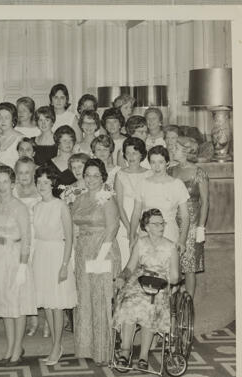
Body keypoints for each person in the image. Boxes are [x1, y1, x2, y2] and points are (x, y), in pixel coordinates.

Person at [113, 208, 179, 370]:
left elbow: (176, 276)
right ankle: (125, 352)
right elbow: (130, 267)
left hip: (160, 282)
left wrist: (172, 280)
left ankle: (143, 356)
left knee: (150, 306)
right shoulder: (140, 243)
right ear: (147, 227)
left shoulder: (171, 247)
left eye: (162, 223)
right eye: (156, 224)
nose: (161, 226)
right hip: (139, 279)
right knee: (129, 303)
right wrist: (122, 276)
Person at [70, 158, 121, 365]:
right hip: (83, 251)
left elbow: (113, 227)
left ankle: (103, 351)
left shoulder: (107, 197)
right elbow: (74, 226)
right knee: (84, 299)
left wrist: (101, 257)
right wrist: (74, 254)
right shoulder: (80, 198)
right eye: (87, 175)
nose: (90, 179)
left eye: (95, 175)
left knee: (101, 299)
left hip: (103, 250)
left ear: (103, 177)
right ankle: (86, 348)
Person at [0, 166, 36, 365]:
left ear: (13, 183)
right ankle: (9, 347)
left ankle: (17, 349)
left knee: (17, 303)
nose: (2, 185)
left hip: (15, 257)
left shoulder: (19, 207)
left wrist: (23, 265)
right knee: (4, 304)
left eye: (6, 181)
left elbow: (26, 238)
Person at [32, 166, 76, 364]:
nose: (42, 185)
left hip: (57, 254)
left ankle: (57, 346)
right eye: (39, 181)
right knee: (48, 305)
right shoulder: (37, 206)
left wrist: (65, 264)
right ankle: (54, 346)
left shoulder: (61, 206)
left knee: (57, 304)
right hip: (41, 255)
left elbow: (69, 237)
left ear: (53, 183)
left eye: (46, 182)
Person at [129, 145, 190, 254]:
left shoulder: (177, 184)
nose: (157, 167)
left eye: (160, 162)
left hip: (169, 232)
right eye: (153, 162)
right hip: (146, 234)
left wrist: (182, 240)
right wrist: (132, 236)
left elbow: (185, 217)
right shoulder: (142, 184)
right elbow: (136, 213)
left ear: (167, 163)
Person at [169, 136, 209, 297]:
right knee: (174, 262)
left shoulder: (199, 173)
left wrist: (200, 227)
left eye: (176, 148)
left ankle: (189, 304)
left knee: (189, 266)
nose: (173, 150)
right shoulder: (171, 170)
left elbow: (205, 202)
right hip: (173, 221)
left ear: (186, 151)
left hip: (192, 223)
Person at [13, 157, 42, 337]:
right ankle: (23, 316)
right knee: (22, 279)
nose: (24, 176)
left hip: (36, 237)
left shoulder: (40, 190)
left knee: (38, 277)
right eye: (20, 172)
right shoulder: (12, 190)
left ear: (33, 173)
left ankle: (38, 319)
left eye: (28, 172)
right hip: (17, 238)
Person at [113, 137, 151, 269]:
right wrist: (130, 230)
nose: (131, 156)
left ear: (142, 154)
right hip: (125, 220)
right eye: (127, 153)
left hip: (145, 219)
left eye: (134, 152)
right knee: (126, 258)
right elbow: (119, 205)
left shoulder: (149, 174)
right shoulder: (120, 174)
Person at [46, 125, 77, 190]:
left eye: (70, 140)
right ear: (58, 143)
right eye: (65, 140)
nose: (68, 143)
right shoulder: (49, 164)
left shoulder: (80, 161)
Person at [0, 102, 24, 168]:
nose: (3, 121)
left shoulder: (21, 139)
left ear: (13, 119)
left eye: (7, 117)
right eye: (0, 117)